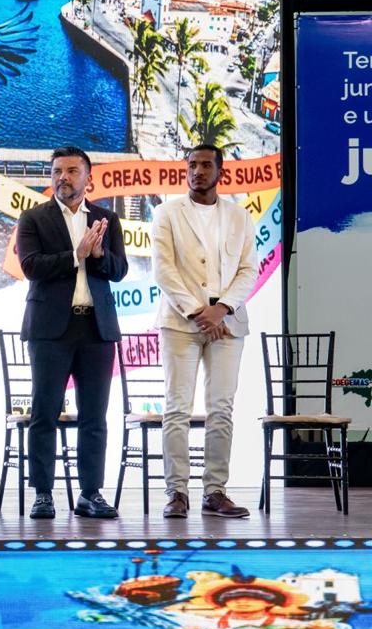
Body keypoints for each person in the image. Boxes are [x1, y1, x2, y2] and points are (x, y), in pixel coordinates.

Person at [16, 145, 128, 520]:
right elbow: (31, 266)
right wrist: (75, 255)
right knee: (44, 413)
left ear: (87, 177)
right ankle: (43, 494)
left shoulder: (107, 219)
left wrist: (98, 256)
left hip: (96, 328)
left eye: (71, 171)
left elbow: (119, 271)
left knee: (95, 416)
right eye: (57, 172)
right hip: (49, 330)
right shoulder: (33, 218)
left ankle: (90, 493)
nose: (63, 178)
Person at [152, 144, 256, 519]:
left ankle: (215, 492)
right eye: (192, 165)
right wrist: (199, 312)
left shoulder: (240, 216)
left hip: (228, 323)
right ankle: (177, 493)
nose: (197, 171)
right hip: (181, 322)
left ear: (220, 172)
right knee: (177, 408)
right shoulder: (166, 213)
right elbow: (163, 270)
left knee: (221, 409)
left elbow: (248, 270)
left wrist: (221, 309)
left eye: (206, 165)